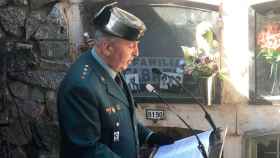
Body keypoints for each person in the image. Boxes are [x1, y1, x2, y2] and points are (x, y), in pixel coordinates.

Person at [57, 3, 174, 158]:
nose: (137, 53)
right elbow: (87, 151)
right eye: (131, 46)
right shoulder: (81, 87)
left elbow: (121, 119)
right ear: (107, 48)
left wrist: (148, 136)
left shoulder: (110, 66)